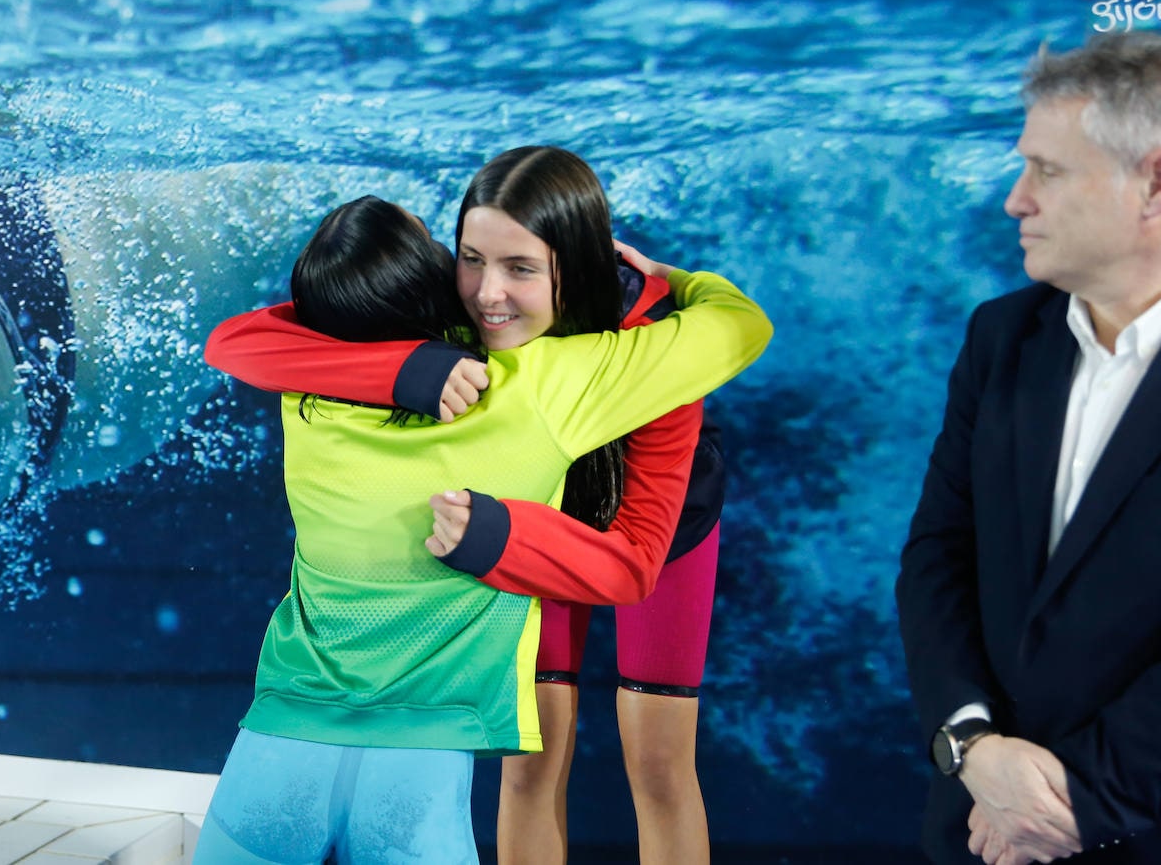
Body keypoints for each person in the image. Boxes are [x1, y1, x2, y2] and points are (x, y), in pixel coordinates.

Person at [194, 193, 771, 863]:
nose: (490, 291)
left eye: (515, 268)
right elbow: (739, 323)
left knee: (660, 762)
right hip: (537, 523)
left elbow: (236, 339)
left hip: (647, 523)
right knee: (531, 762)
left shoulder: (593, 357)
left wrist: (667, 285)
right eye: (469, 261)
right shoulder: (499, 366)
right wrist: (404, 371)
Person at [895, 31, 1161, 864]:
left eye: (1046, 170)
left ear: (1158, 181)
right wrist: (973, 749)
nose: (1016, 199)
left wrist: (1075, 803)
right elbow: (937, 559)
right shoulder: (1001, 337)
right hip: (980, 826)